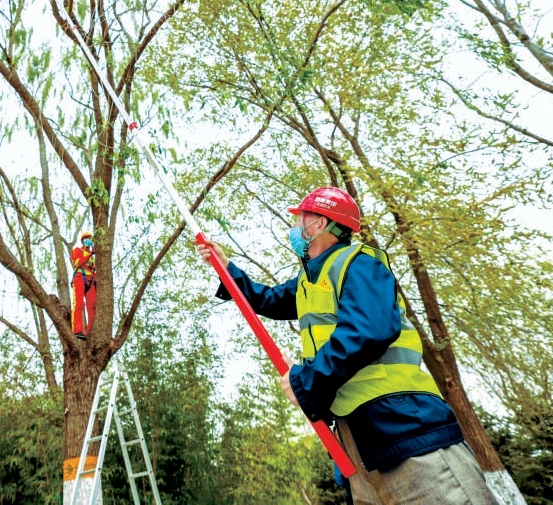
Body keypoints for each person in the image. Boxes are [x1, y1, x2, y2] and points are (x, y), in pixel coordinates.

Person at [196, 186, 497, 504]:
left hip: (405, 425)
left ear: (319, 224)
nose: (295, 226)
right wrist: (226, 268)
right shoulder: (308, 282)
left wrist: (305, 380)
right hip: (355, 436)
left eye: (300, 218)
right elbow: (265, 299)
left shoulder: (360, 264)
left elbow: (368, 330)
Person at [70, 231, 97, 339]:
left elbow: (94, 269)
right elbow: (77, 263)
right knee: (79, 304)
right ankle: (77, 330)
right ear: (82, 240)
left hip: (91, 280)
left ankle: (90, 333)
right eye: (86, 238)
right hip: (80, 277)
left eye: (89, 238)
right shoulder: (77, 250)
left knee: (93, 307)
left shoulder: (93, 257)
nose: (88, 240)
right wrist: (90, 254)